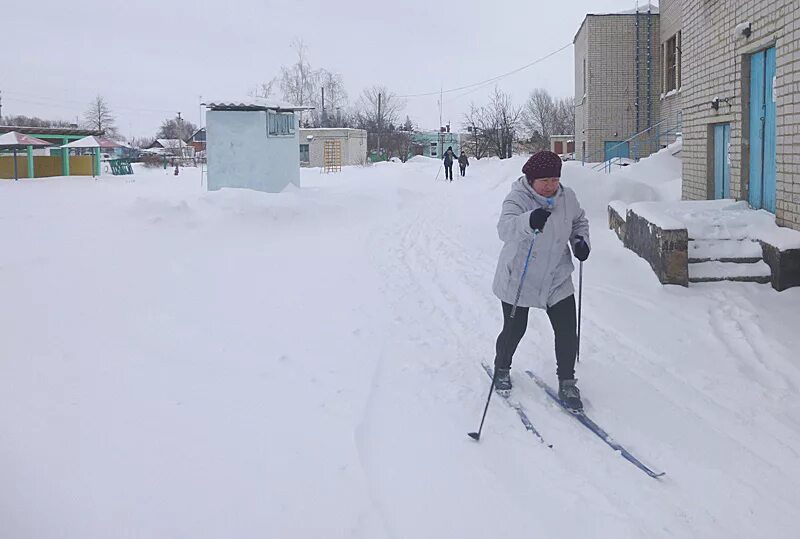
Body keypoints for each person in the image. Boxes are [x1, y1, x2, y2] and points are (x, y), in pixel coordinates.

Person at [490, 150, 590, 411]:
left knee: (567, 331)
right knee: (514, 330)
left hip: (556, 276)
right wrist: (528, 221)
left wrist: (580, 241)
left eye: (555, 179)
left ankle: (567, 381)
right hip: (519, 277)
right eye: (544, 180)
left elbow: (579, 221)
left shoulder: (567, 198)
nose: (550, 185)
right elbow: (504, 229)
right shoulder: (518, 198)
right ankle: (502, 367)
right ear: (531, 179)